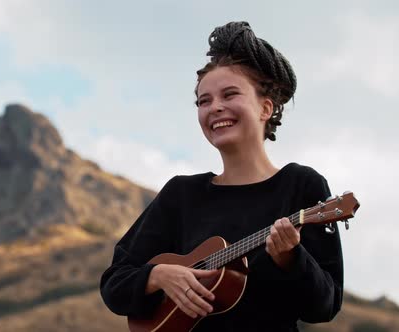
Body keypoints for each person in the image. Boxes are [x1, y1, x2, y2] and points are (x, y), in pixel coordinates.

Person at [100, 21, 343, 331]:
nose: (215, 108)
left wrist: (291, 259)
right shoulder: (181, 194)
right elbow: (115, 283)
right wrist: (158, 276)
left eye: (229, 95)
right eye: (204, 101)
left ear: (265, 108)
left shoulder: (302, 185)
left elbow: (326, 305)